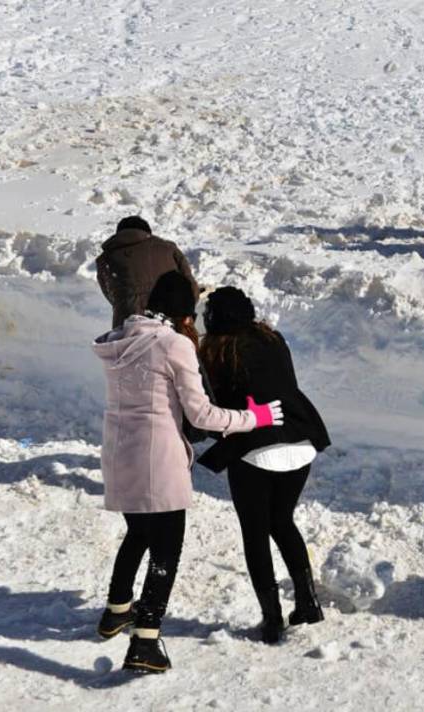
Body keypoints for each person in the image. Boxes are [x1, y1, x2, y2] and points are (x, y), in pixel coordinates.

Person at [92, 272, 284, 673]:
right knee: (166, 550)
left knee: (138, 533)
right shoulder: (173, 344)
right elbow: (202, 415)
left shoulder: (120, 339)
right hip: (157, 459)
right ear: (182, 313)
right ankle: (145, 642)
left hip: (119, 453)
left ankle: (117, 610)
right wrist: (255, 418)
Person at [197, 287, 331, 644]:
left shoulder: (216, 350)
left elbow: (213, 407)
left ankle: (272, 620)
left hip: (255, 448)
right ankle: (308, 603)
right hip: (299, 441)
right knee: (282, 521)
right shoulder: (274, 339)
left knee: (255, 533)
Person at [96, 216, 200, 328]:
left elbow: (111, 295)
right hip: (170, 323)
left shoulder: (105, 259)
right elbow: (190, 287)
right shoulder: (168, 249)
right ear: (147, 232)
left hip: (127, 327)